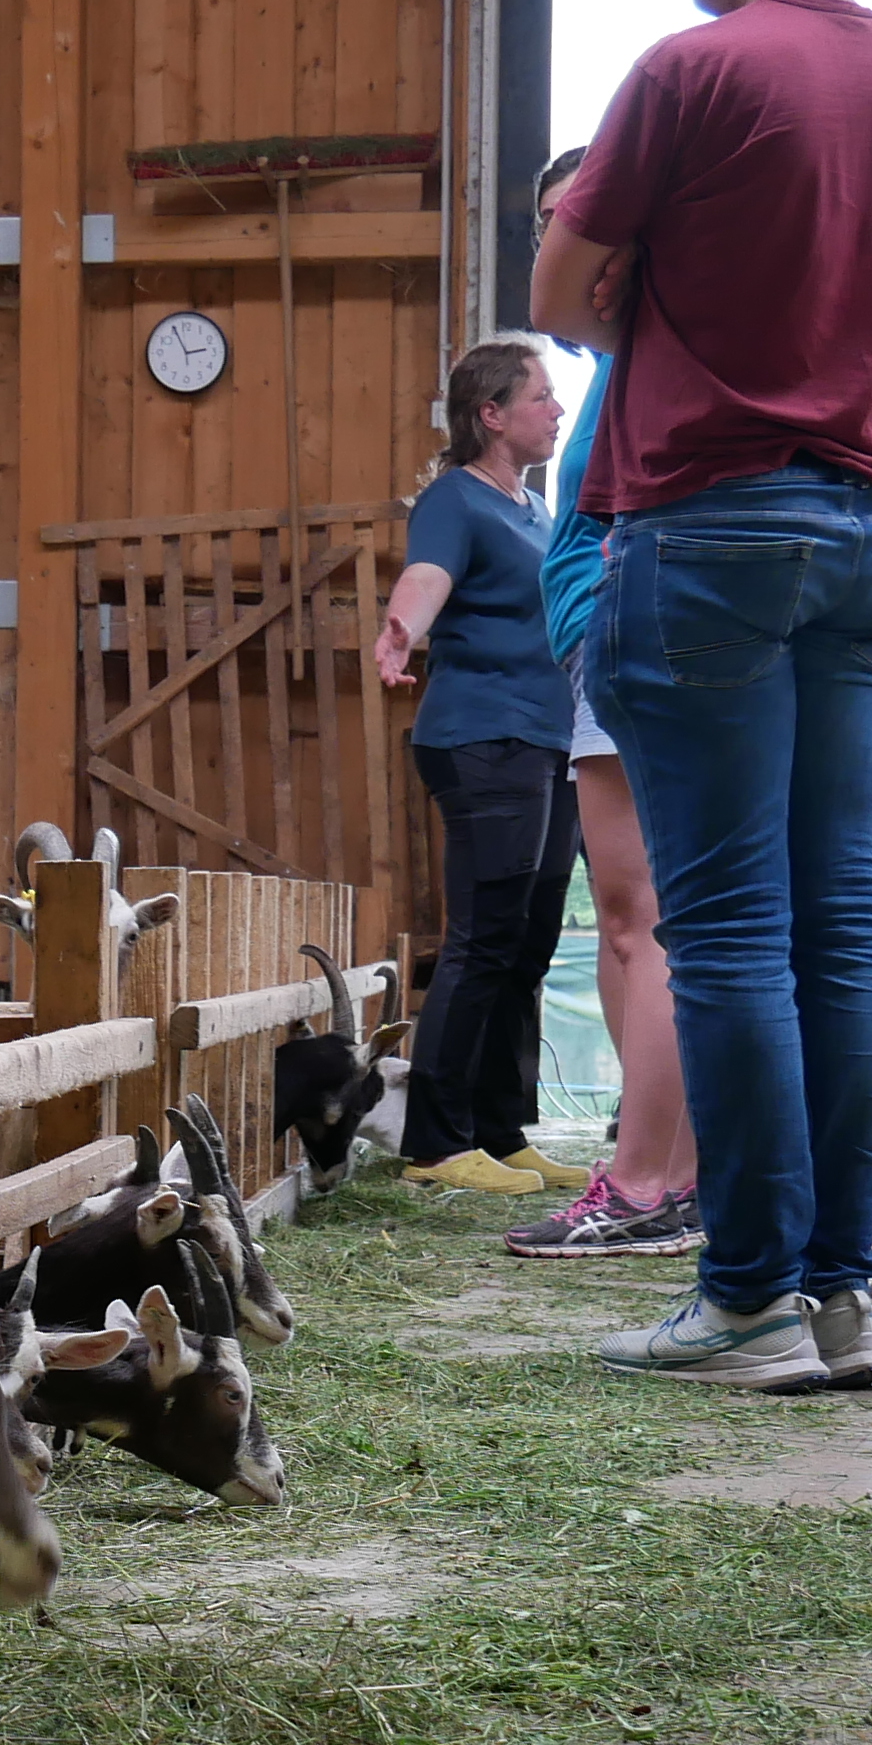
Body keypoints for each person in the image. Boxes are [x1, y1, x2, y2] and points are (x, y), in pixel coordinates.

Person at [526, 0, 872, 1390]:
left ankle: (749, 1287)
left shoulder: (691, 70)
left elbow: (561, 288)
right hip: (870, 522)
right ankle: (839, 1287)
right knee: (843, 914)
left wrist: (644, 294)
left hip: (704, 523)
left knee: (722, 929)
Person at [509, 281, 709, 1259]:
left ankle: (645, 1186)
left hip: (632, 628)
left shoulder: (656, 344)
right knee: (653, 925)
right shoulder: (636, 353)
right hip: (629, 630)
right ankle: (676, 1175)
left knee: (644, 927)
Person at [373, 338, 581, 1195]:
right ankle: (436, 1141)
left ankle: (503, 1129)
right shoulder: (454, 499)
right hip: (483, 736)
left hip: (550, 741)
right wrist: (399, 630)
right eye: (541, 397)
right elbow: (427, 574)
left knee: (528, 942)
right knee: (484, 939)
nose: (558, 412)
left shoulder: (535, 510)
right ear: (490, 414)